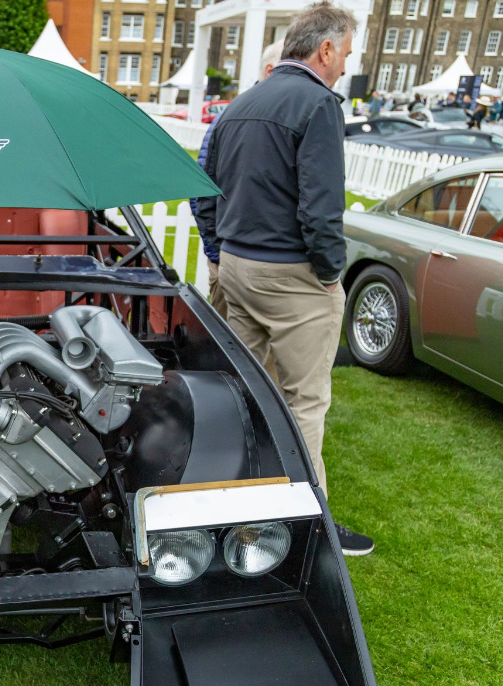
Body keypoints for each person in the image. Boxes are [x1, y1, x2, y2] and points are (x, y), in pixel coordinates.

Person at [195, 1, 373, 556]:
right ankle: (307, 530)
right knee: (304, 405)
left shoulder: (242, 103)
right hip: (290, 275)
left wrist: (220, 252)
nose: (345, 65)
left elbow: (205, 188)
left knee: (245, 397)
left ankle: (229, 509)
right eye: (345, 53)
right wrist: (330, 272)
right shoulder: (317, 103)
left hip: (239, 267)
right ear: (325, 49)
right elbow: (322, 209)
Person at [189, 39, 285, 318]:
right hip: (232, 260)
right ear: (270, 70)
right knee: (227, 338)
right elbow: (201, 191)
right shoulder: (232, 117)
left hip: (271, 265)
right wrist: (218, 255)